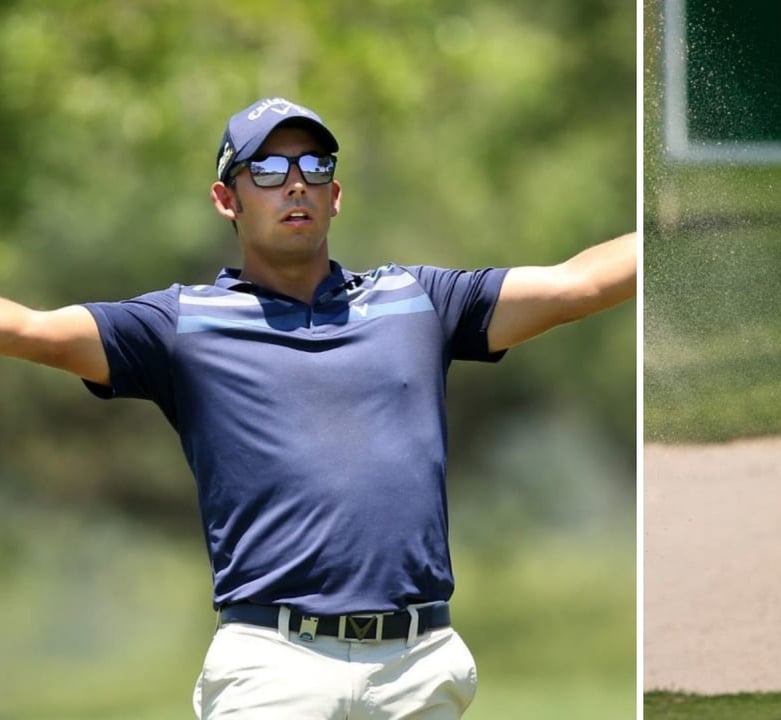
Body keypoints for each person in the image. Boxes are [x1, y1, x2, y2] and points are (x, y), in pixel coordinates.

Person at [0, 97, 635, 718]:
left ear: (335, 195)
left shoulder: (419, 301)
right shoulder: (182, 324)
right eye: (269, 170)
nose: (295, 184)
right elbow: (28, 329)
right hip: (274, 667)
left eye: (315, 167)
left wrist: (691, 226)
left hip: (420, 664)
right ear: (228, 199)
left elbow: (577, 286)